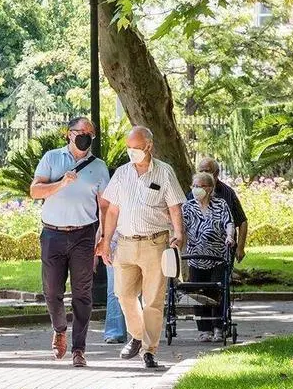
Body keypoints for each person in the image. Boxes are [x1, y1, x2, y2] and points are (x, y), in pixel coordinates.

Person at [96, 126, 186, 369]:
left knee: (153, 301)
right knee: (123, 295)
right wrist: (106, 242)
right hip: (125, 243)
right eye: (129, 148)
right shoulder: (122, 173)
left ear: (149, 146)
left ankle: (149, 350)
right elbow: (112, 209)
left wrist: (178, 235)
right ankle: (137, 335)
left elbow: (175, 207)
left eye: (136, 148)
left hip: (155, 243)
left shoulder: (164, 173)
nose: (131, 152)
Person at [30, 117, 111, 367]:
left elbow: (105, 204)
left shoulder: (98, 167)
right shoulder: (52, 158)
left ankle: (79, 349)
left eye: (91, 133)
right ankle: (59, 329)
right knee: (52, 290)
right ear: (69, 134)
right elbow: (34, 191)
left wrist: (104, 235)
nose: (86, 136)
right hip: (53, 233)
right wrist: (61, 183)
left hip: (83, 235)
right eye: (81, 131)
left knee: (82, 293)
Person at [183, 172, 235, 343]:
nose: (197, 189)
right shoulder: (188, 207)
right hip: (195, 257)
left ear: (210, 188)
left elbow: (229, 223)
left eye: (201, 186)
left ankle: (218, 327)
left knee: (216, 291)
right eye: (194, 186)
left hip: (217, 257)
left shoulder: (220, 204)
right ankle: (204, 330)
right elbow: (181, 227)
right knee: (198, 292)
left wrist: (230, 236)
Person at [192, 157, 248, 262]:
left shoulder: (227, 193)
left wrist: (240, 247)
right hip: (197, 252)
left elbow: (242, 221)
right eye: (201, 171)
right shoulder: (193, 194)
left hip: (223, 251)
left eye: (207, 171)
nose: (204, 174)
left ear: (216, 173)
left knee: (221, 278)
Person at [103, 232, 127, 344]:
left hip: (139, 240)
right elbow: (104, 222)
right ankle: (114, 332)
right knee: (113, 290)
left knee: (140, 290)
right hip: (114, 244)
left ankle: (141, 332)